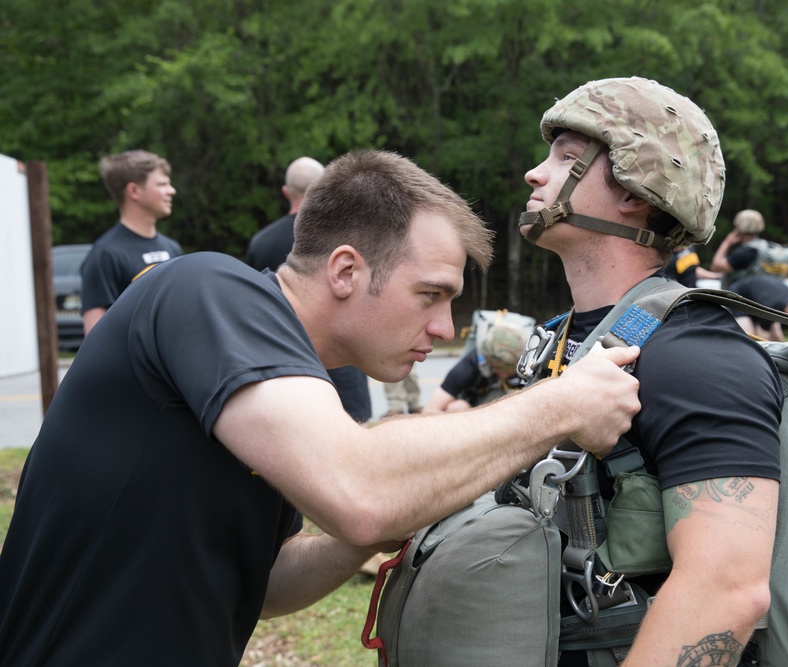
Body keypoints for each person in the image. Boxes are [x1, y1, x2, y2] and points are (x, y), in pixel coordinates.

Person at [0, 149, 642, 666]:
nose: (446, 328)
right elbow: (360, 489)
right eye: (431, 294)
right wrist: (559, 403)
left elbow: (266, 579)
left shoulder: (295, 392)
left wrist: (350, 545)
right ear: (344, 271)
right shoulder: (208, 290)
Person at [521, 76, 781, 666]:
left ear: (635, 192)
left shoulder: (699, 358)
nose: (536, 174)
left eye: (565, 158)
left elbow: (727, 592)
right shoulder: (565, 338)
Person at [246, 156, 372, 423]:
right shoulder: (354, 237)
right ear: (327, 185)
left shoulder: (261, 242)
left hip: (283, 370)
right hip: (344, 369)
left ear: (285, 191)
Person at [81, 149, 183, 335]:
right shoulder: (105, 255)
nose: (172, 191)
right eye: (162, 184)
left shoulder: (172, 248)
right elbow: (94, 341)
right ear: (134, 191)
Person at [424, 321, 530, 412]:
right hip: (476, 412)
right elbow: (430, 410)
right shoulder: (471, 365)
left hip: (515, 412)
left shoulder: (529, 365)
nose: (503, 375)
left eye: (507, 370)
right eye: (497, 368)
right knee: (457, 407)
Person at [728, 274, 788, 341]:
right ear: (787, 310)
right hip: (740, 294)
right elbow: (763, 337)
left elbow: (777, 335)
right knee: (750, 337)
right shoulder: (771, 307)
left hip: (759, 295)